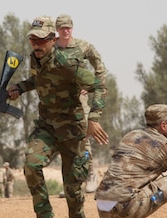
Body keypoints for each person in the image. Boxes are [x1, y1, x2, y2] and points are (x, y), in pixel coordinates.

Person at [7, 15, 108, 218]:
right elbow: (39, 81)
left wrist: (93, 117)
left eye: (41, 40)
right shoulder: (36, 60)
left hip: (72, 129)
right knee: (31, 164)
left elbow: (98, 86)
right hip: (47, 126)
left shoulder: (68, 63)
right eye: (32, 40)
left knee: (72, 183)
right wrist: (20, 87)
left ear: (52, 39)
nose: (36, 44)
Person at [55, 14, 107, 193]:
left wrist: (92, 87)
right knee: (65, 140)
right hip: (60, 102)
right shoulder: (52, 48)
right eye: (62, 27)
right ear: (57, 29)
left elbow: (99, 66)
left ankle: (91, 173)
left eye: (68, 27)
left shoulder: (83, 46)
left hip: (79, 99)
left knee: (83, 134)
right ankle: (74, 181)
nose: (65, 30)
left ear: (72, 28)